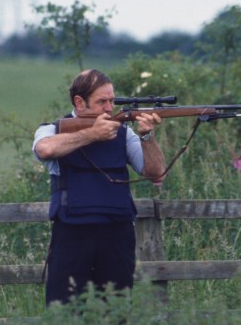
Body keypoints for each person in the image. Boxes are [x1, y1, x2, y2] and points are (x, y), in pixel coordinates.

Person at [32, 68, 166, 305]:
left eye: (112, 101)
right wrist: (93, 134)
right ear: (79, 102)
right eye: (101, 101)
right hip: (72, 232)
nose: (109, 108)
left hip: (116, 233)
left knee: (116, 312)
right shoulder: (53, 129)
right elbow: (45, 150)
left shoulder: (123, 134)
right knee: (64, 312)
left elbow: (156, 173)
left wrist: (147, 136)